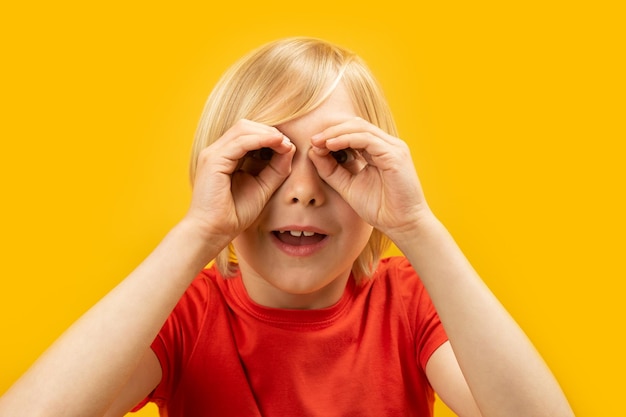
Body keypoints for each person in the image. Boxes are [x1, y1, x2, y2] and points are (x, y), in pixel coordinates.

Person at [0, 37, 574, 417]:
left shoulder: (408, 306)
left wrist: (416, 226)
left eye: (341, 156)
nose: (303, 189)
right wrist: (198, 232)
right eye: (262, 158)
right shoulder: (186, 317)